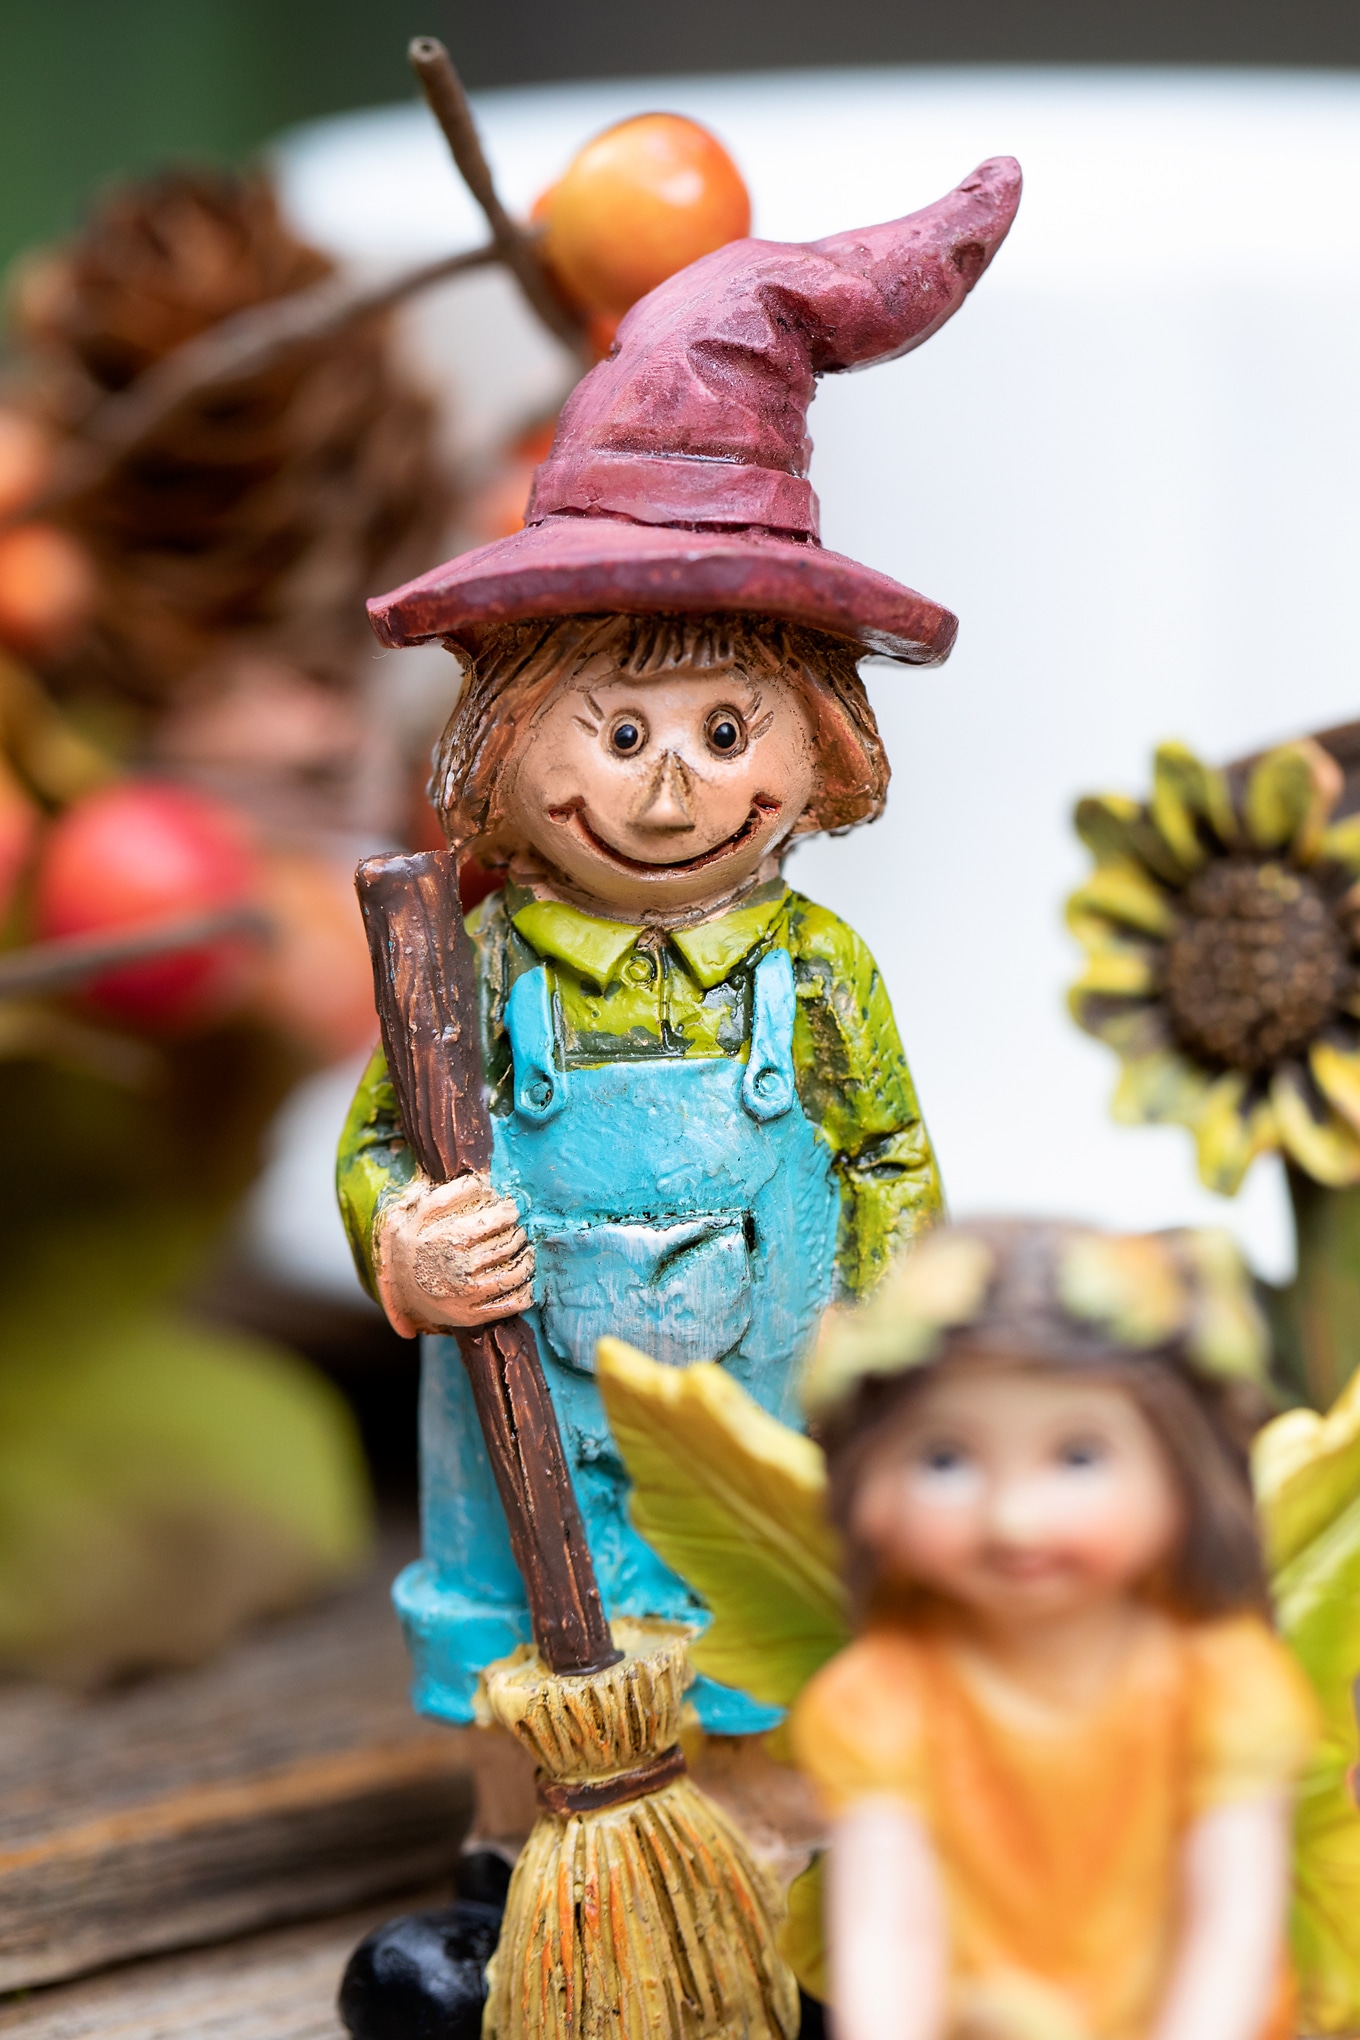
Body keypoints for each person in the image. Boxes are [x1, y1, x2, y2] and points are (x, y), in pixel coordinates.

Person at [336, 154, 1021, 1748]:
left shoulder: (823, 967)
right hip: (527, 1467)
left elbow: (888, 1158)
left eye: (725, 727)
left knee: (761, 1678)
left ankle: (760, 1879)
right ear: (505, 742)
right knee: (530, 1711)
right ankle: (524, 1898)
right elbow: (383, 1137)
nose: (669, 783)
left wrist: (892, 1324)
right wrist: (404, 1243)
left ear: (819, 742)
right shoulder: (478, 968)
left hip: (763, 1433)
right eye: (618, 726)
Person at [789, 1220, 1321, 2040]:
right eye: (945, 1460)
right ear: (874, 1481)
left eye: (1078, 1457)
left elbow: (1232, 1930)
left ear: (1181, 1470)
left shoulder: (1222, 1685)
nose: (1014, 1519)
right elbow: (887, 1932)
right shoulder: (884, 1699)